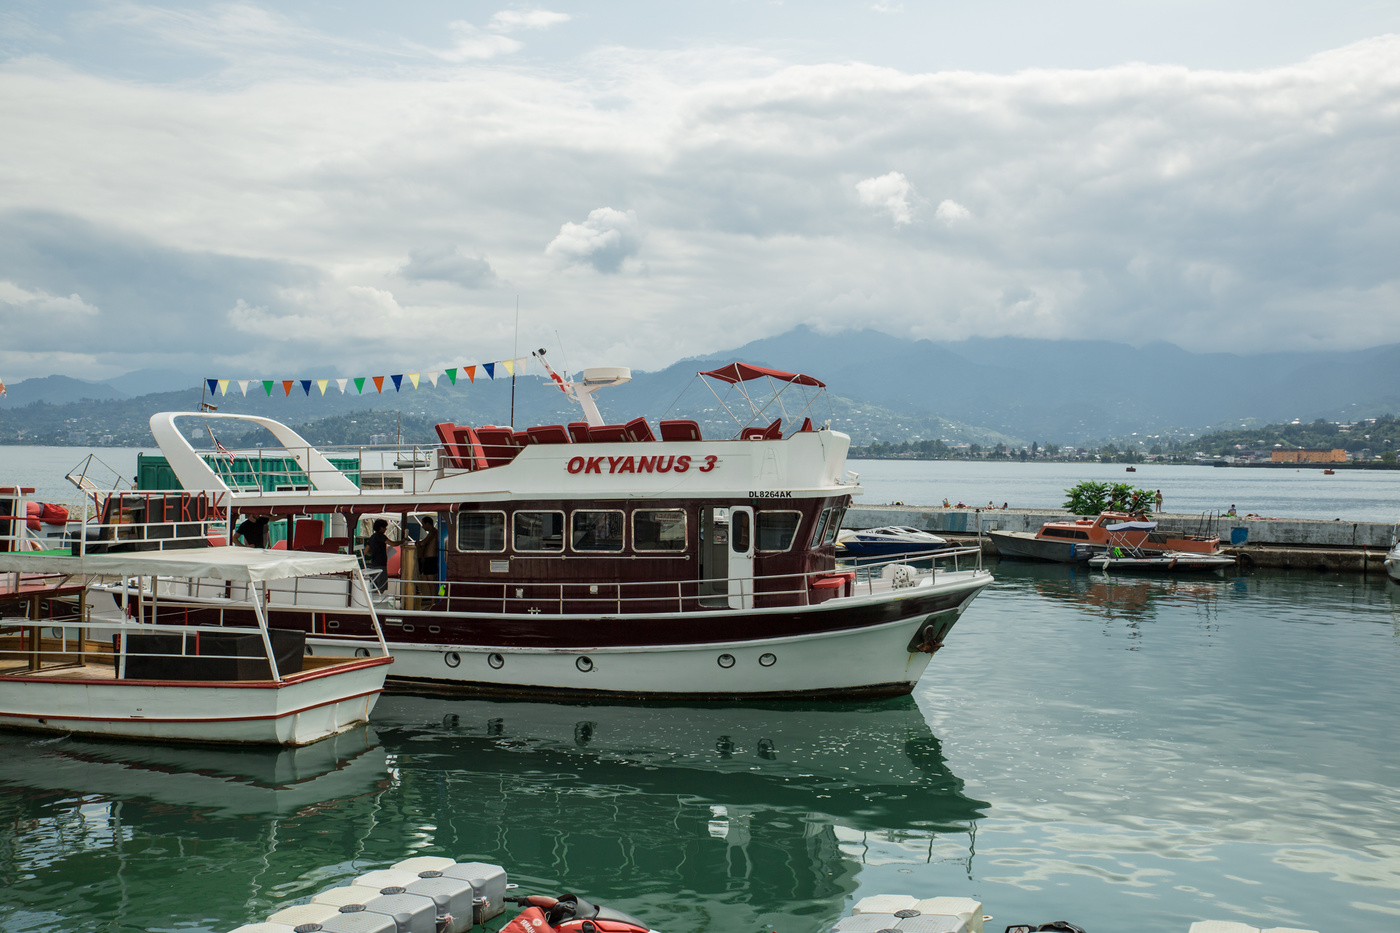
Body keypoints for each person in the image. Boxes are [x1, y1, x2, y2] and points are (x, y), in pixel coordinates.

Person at [364, 518, 395, 590]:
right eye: (385, 527)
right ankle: (377, 600)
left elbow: (365, 551)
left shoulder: (372, 537)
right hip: (381, 564)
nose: (386, 529)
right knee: (382, 587)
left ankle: (373, 600)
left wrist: (373, 554)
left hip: (374, 564)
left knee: (375, 586)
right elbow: (393, 543)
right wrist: (402, 541)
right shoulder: (381, 536)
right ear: (381, 528)